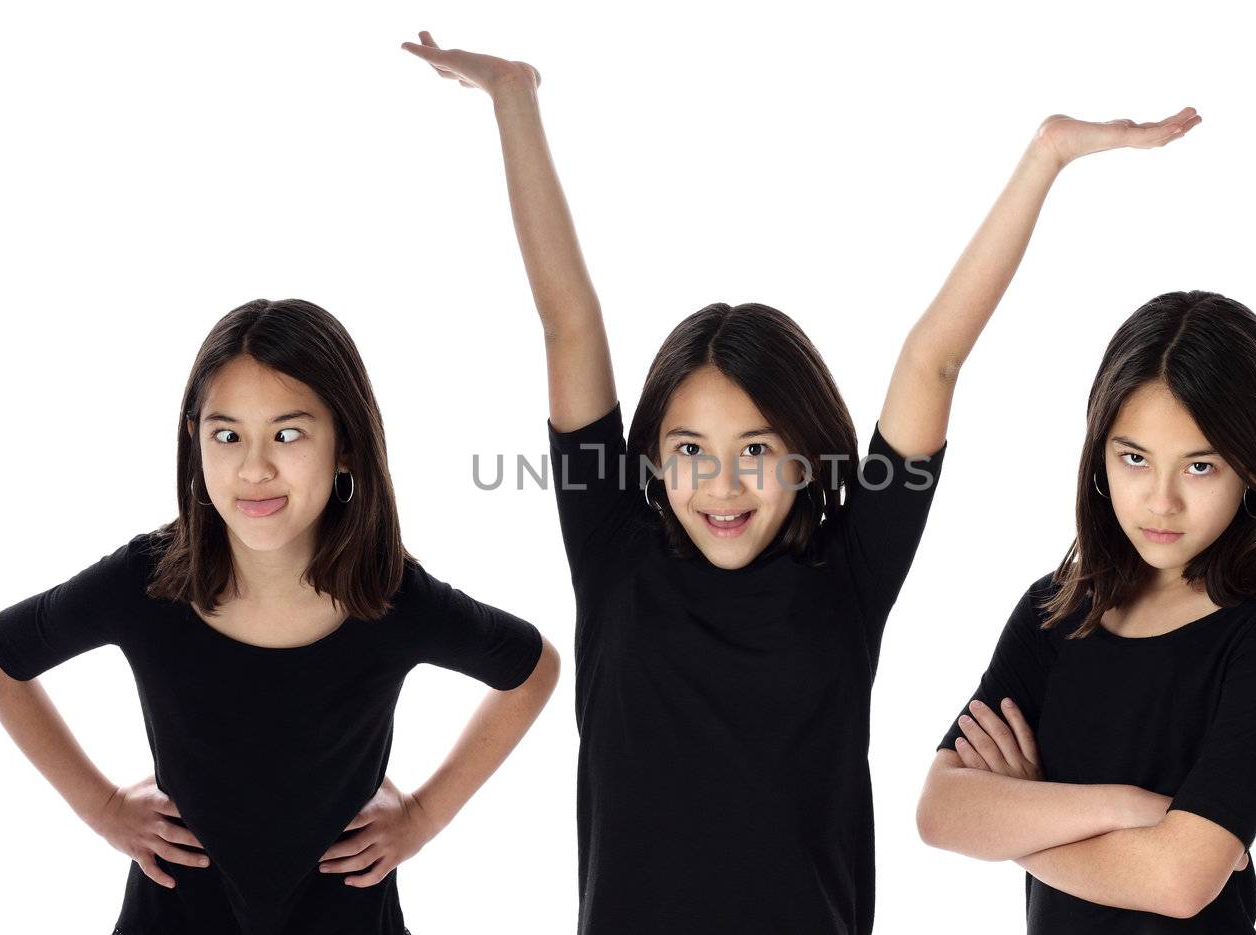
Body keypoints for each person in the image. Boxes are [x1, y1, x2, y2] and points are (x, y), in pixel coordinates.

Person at [402, 28, 1198, 934]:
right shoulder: (612, 547)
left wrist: (1046, 156)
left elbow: (932, 361)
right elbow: (566, 321)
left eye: (756, 446)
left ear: (806, 454)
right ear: (651, 461)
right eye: (690, 448)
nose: (722, 481)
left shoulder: (848, 570)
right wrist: (514, 99)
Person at [0, 299, 560, 935]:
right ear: (194, 440)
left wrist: (422, 816)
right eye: (227, 435)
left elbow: (530, 669)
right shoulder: (149, 580)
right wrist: (103, 806)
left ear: (346, 447)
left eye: (288, 434)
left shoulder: (389, 595)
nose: (254, 469)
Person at [916, 291, 1256, 932]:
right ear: (1099, 457)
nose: (1159, 502)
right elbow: (942, 813)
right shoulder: (1053, 611)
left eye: (1199, 466)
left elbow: (1179, 880)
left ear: (1252, 468)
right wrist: (1131, 807)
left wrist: (1020, 815)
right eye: (1133, 458)